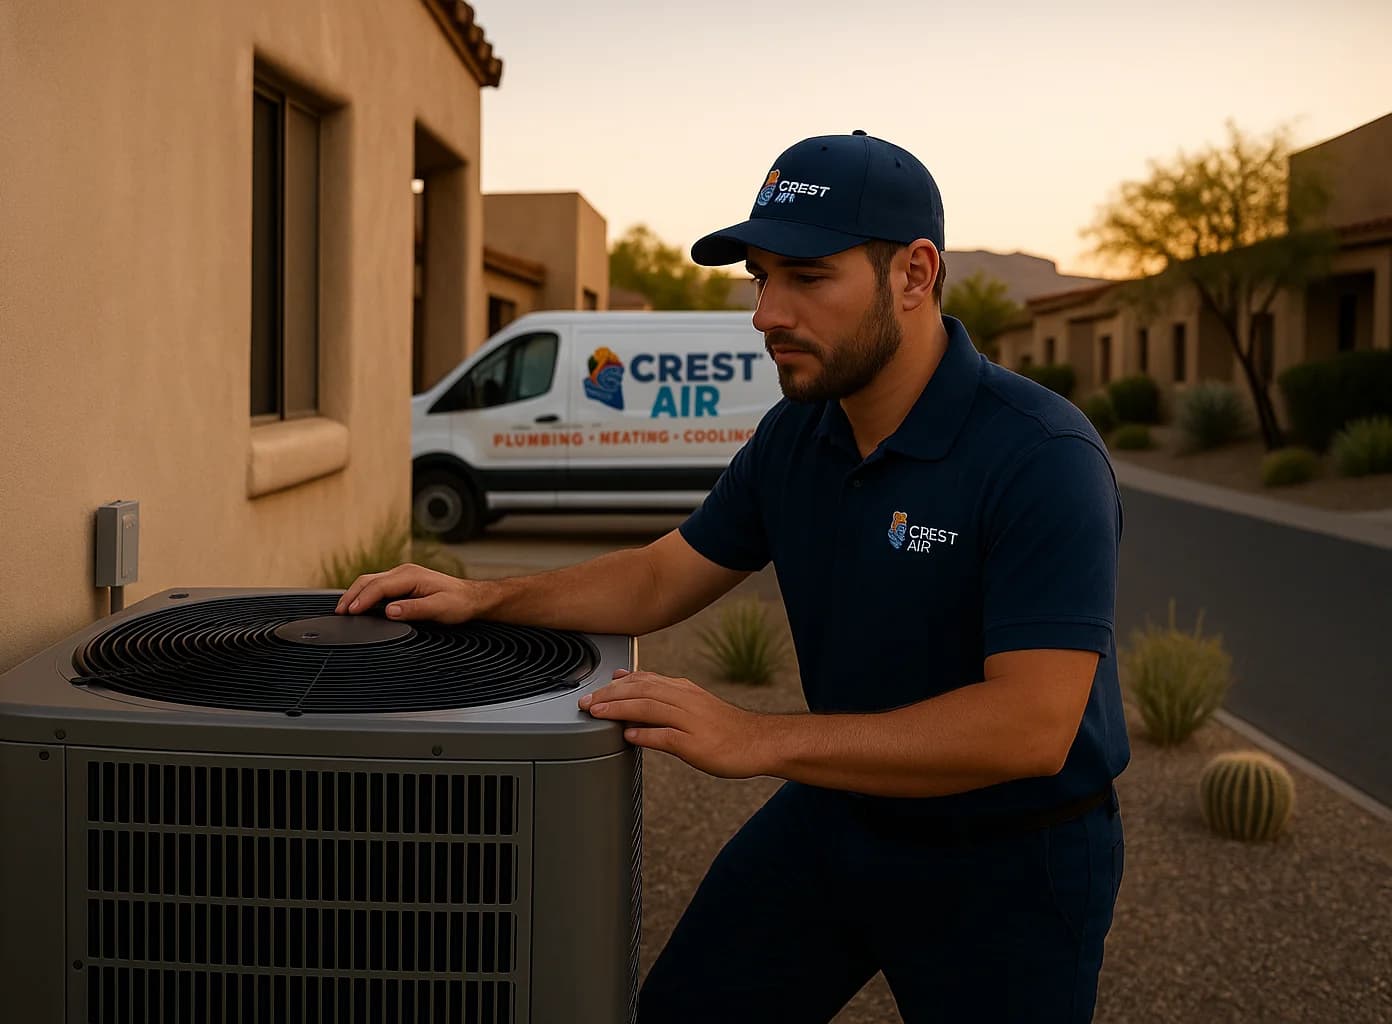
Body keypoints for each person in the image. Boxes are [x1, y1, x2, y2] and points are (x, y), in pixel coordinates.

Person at [336, 131, 1129, 1023]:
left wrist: (755, 738)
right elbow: (658, 577)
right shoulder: (799, 436)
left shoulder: (1041, 455)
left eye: (807, 277)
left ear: (914, 274)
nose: (765, 313)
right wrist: (484, 598)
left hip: (1011, 860)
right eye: (761, 277)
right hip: (837, 817)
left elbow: (1028, 728)